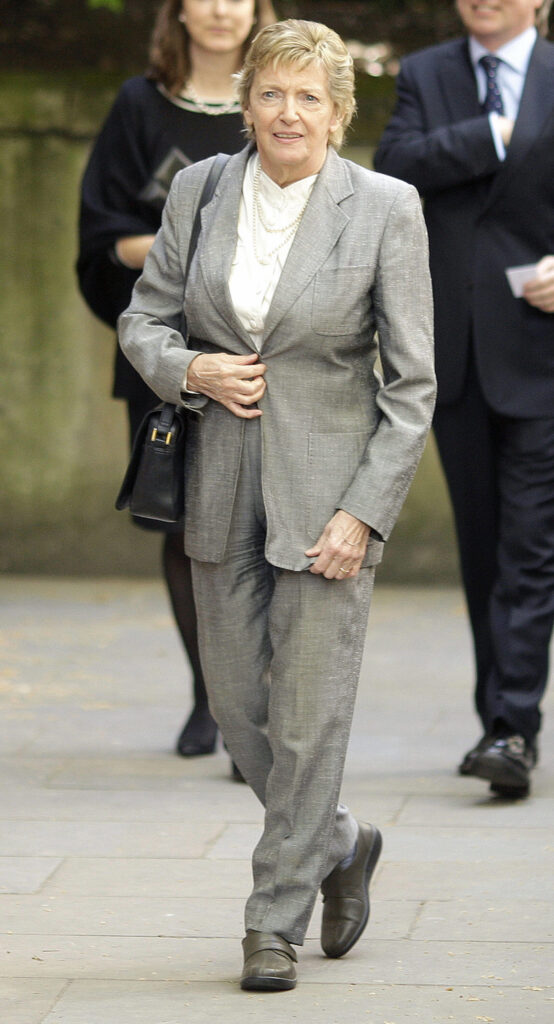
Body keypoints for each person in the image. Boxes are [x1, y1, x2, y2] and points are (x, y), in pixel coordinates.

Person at [119, 18, 435, 991]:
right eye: (270, 93)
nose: (286, 112)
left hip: (329, 496)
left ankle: (271, 917)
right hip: (219, 484)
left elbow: (409, 384)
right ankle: (339, 839)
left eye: (308, 97)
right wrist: (190, 367)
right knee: (238, 706)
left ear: (337, 114)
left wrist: (364, 511)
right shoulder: (200, 190)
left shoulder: (384, 207)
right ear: (246, 102)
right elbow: (144, 318)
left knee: (306, 719)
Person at [77, 0, 276, 766]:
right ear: (179, 10)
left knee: (264, 527)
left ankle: (259, 703)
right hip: (168, 350)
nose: (223, 9)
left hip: (265, 350)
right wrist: (180, 247)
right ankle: (211, 698)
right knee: (188, 529)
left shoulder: (277, 100)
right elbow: (102, 235)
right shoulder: (139, 106)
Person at [374, 1, 554, 799]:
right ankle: (498, 723)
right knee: (483, 550)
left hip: (542, 352)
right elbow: (394, 164)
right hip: (449, 354)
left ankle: (515, 725)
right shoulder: (425, 73)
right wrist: (493, 134)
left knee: (531, 545)